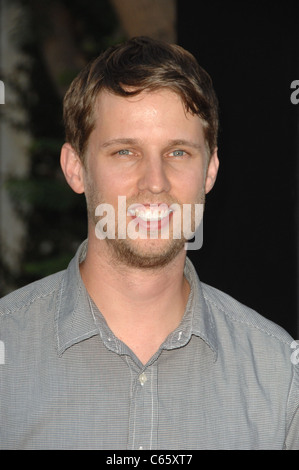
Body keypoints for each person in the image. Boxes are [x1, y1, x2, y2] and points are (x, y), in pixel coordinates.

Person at [0, 36, 298, 451]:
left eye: (178, 153)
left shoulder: (279, 375)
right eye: (125, 152)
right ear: (75, 169)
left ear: (209, 170)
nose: (155, 182)